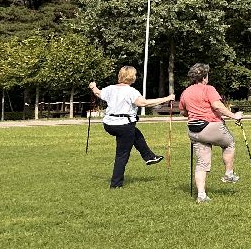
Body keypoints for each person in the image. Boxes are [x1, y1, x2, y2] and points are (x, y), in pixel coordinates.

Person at [87, 66, 175, 188]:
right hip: (123, 125)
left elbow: (98, 93)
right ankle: (116, 184)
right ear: (132, 77)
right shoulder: (131, 91)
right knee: (122, 154)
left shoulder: (110, 89)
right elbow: (143, 103)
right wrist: (167, 98)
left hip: (109, 124)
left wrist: (93, 86)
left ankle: (149, 157)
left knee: (135, 133)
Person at [179, 63, 243, 203]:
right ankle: (228, 174)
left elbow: (183, 112)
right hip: (211, 127)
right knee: (229, 143)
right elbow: (217, 105)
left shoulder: (186, 92)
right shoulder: (209, 89)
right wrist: (234, 116)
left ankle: (201, 195)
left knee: (201, 163)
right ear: (204, 77)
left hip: (193, 130)